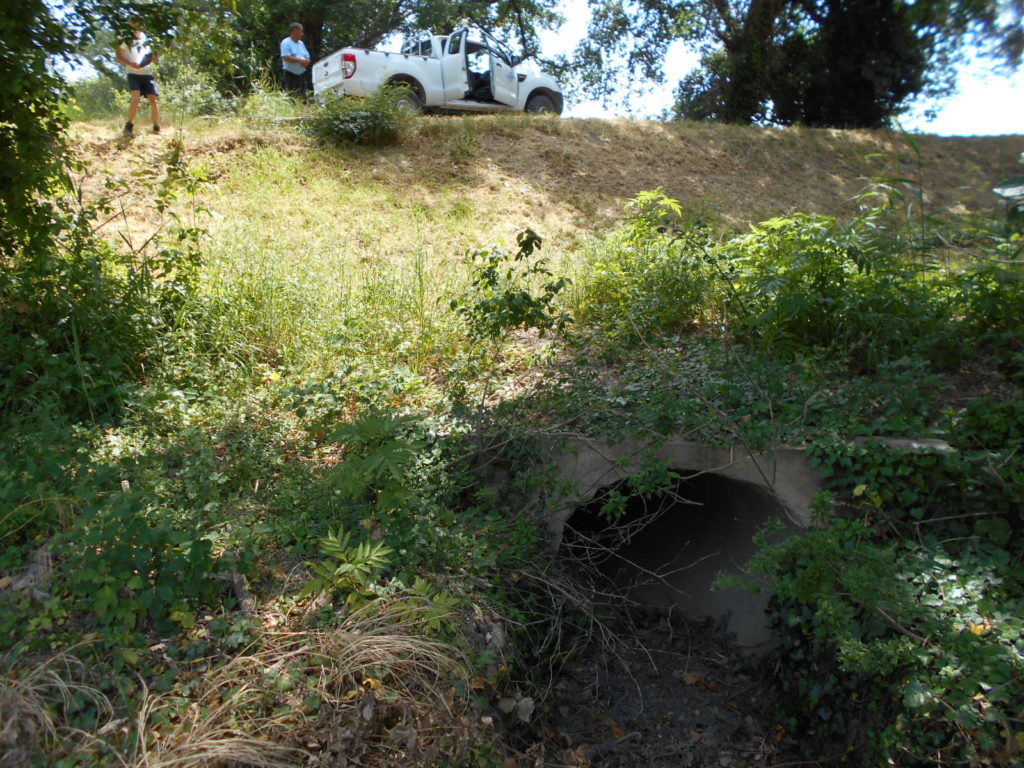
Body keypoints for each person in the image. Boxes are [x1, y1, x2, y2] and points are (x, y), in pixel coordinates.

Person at [115, 20, 160, 137]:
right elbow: (118, 56)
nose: (137, 27)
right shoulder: (126, 40)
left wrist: (151, 59)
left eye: (139, 24)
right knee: (136, 99)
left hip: (147, 73)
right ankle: (128, 126)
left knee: (153, 100)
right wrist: (131, 64)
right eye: (134, 24)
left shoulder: (148, 40)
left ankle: (156, 128)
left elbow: (155, 55)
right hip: (133, 73)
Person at [280, 23, 311, 99]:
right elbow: (285, 57)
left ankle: (304, 109)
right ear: (295, 31)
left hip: (302, 74)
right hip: (291, 75)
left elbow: (307, 56)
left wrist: (306, 62)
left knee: (304, 97)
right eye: (301, 31)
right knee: (293, 97)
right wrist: (300, 60)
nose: (302, 34)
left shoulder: (301, 43)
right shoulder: (286, 42)